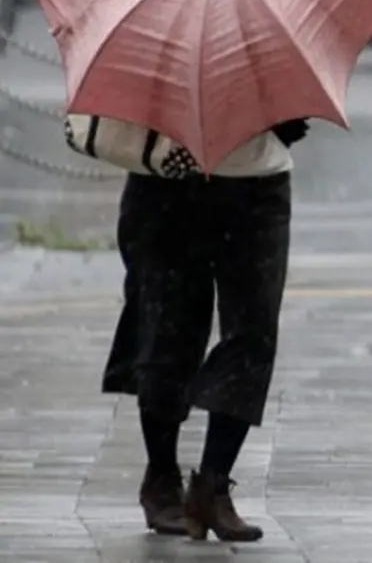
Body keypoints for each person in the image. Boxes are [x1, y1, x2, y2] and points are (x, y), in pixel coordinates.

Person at [76, 117, 308, 541]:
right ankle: (162, 478)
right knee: (168, 331)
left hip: (258, 183)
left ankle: (213, 485)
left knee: (253, 333)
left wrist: (287, 117)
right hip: (166, 181)